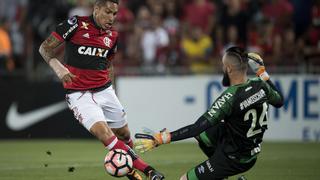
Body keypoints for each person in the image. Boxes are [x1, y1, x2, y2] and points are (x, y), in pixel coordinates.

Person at [38, 0, 164, 180]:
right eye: (108, 12)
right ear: (96, 9)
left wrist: (111, 89)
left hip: (105, 90)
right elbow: (44, 48)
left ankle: (127, 166)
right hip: (79, 95)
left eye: (114, 14)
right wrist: (58, 67)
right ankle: (149, 171)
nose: (112, 18)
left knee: (124, 134)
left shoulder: (112, 35)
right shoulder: (76, 24)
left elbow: (108, 64)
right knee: (105, 134)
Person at [135, 46, 284, 180]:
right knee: (203, 134)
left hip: (235, 158)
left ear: (229, 69)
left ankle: (218, 171)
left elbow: (198, 126)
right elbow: (279, 101)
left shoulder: (230, 97)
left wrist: (164, 138)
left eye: (223, 66)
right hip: (250, 150)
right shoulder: (261, 85)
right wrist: (262, 73)